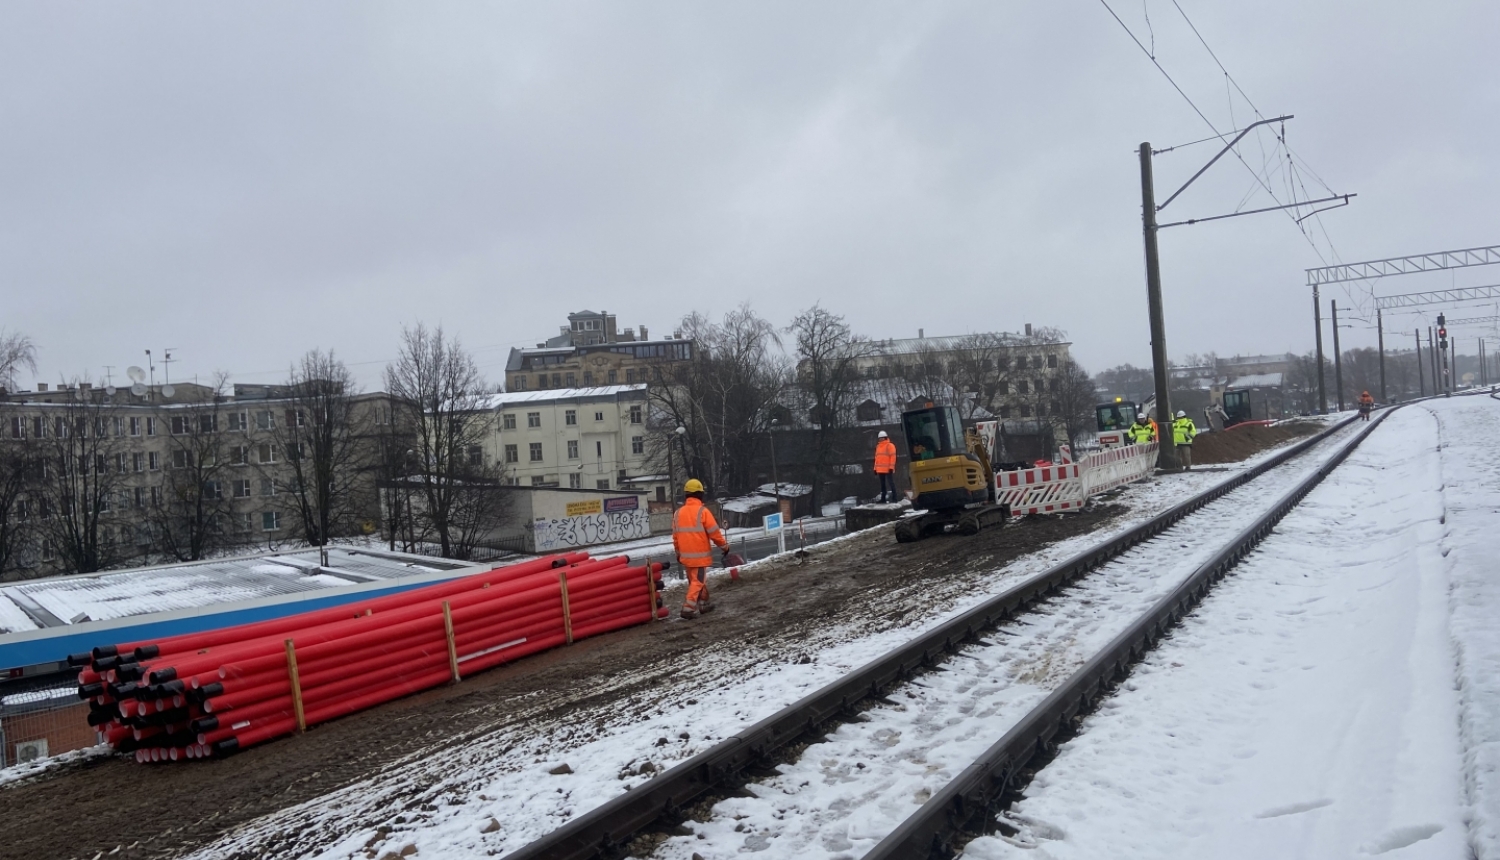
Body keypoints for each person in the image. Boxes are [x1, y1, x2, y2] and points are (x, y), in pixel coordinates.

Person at [673, 478, 729, 619]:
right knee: (698, 582)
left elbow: (675, 537)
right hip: (699, 557)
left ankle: (704, 604)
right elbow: (715, 533)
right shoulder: (703, 512)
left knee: (696, 582)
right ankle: (688, 609)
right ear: (700, 494)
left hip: (686, 557)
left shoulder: (677, 513)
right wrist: (725, 547)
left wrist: (678, 554)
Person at [873, 430, 898, 503]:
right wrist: (875, 469)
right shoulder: (878, 446)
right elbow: (877, 458)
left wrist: (891, 467)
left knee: (891, 483)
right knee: (882, 485)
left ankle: (895, 498)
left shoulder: (890, 445)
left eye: (882, 438)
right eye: (879, 438)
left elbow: (893, 457)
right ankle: (883, 499)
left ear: (885, 438)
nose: (880, 439)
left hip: (887, 469)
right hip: (880, 469)